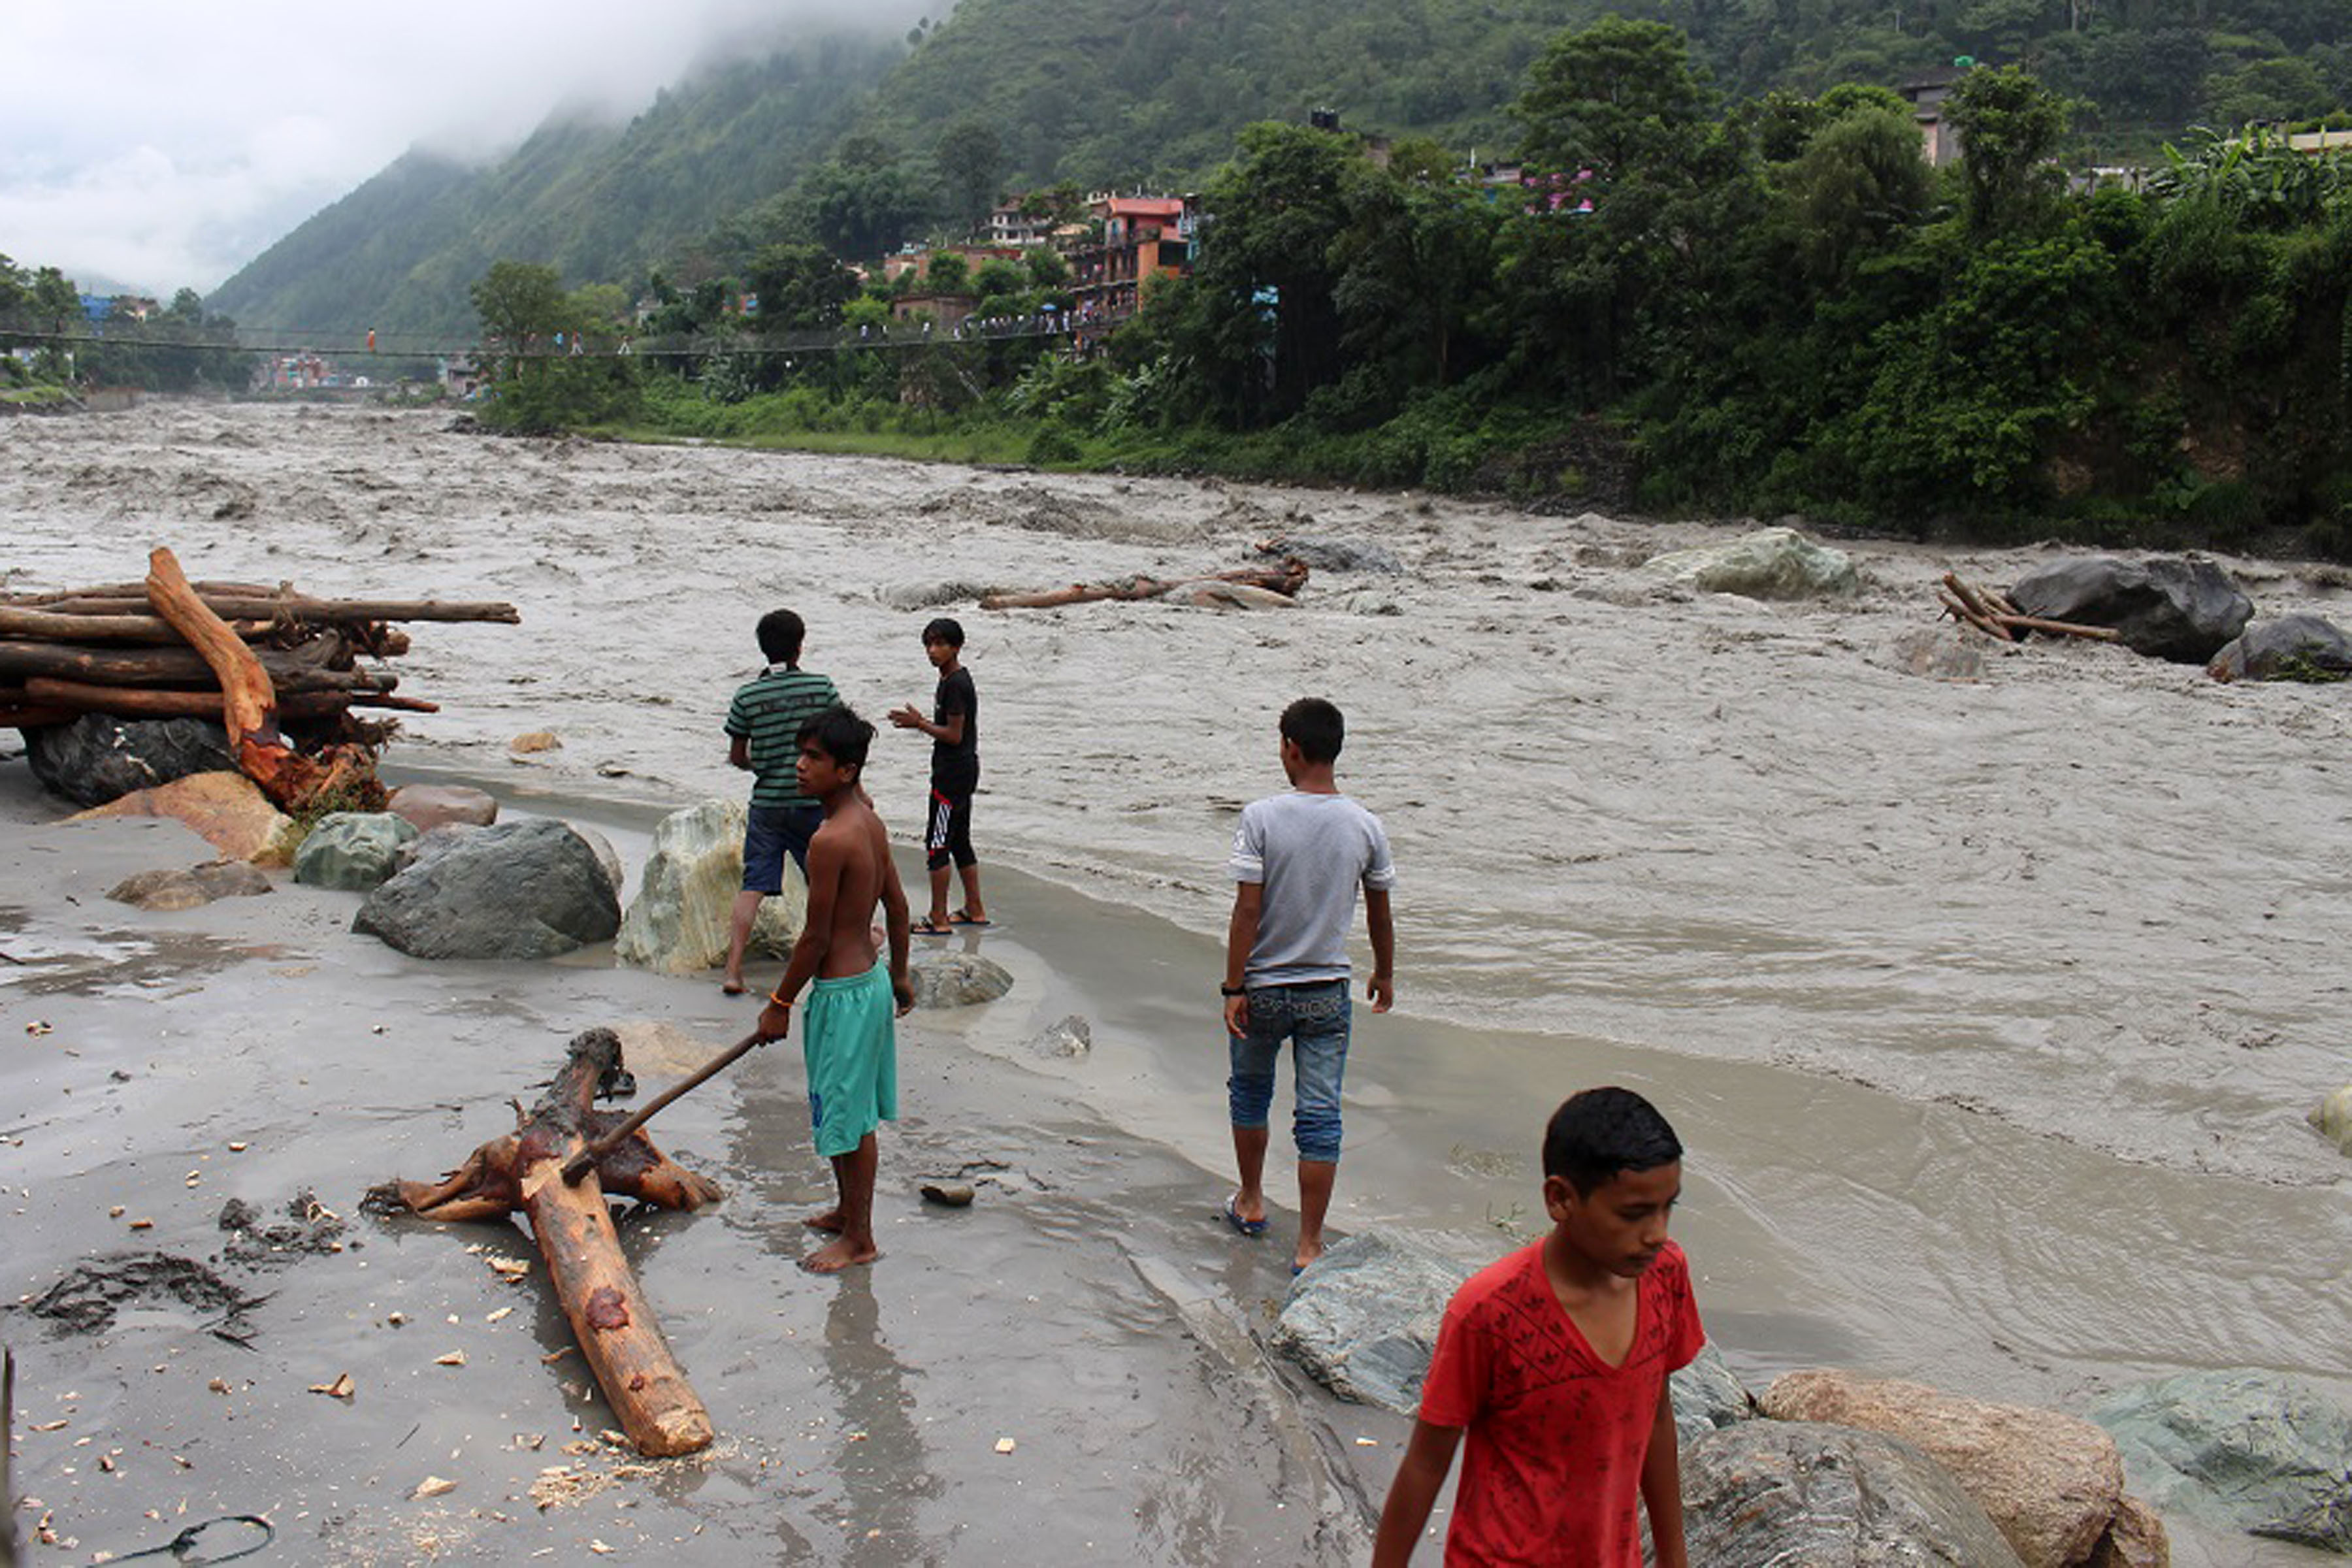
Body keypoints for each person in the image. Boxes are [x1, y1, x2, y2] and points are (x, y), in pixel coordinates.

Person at [1372, 1088, 1704, 1567]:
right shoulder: (1491, 1312)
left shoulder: (1665, 1275)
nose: (1657, 1232)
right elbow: (1426, 1464)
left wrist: (1674, 1556)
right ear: (1561, 1199)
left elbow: (1656, 1416)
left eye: (1667, 1207)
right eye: (1633, 1214)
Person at [1220, 696, 1396, 1275]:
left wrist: (1232, 986)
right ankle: (1310, 1244)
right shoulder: (1365, 824)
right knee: (1320, 1116)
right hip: (1327, 990)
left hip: (1264, 985)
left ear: (1291, 748)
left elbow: (1247, 912)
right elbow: (1378, 913)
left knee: (1251, 1093)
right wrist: (1384, 973)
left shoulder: (1262, 817)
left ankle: (1249, 1201)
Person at [752, 706, 915, 1274]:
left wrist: (779, 1005)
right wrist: (899, 975)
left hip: (843, 993)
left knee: (848, 1115)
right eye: (801, 754)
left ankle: (862, 1237)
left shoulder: (828, 840)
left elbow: (816, 938)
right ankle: (848, 1212)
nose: (799, 767)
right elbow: (897, 905)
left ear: (846, 771)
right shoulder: (869, 821)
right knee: (845, 1104)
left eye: (813, 759)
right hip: (867, 982)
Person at [722, 610, 841, 996]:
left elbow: (738, 756)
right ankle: (833, 956)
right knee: (824, 884)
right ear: (800, 645)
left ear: (762, 648)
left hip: (768, 803)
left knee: (753, 886)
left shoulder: (748, 696)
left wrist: (765, 765)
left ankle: (734, 970)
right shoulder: (821, 688)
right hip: (813, 803)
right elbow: (840, 740)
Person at [888, 616, 986, 934]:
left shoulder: (955, 684)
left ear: (957, 647)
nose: (933, 651)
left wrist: (919, 724)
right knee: (960, 841)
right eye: (929, 644)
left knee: (937, 843)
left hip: (952, 773)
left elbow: (954, 735)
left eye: (941, 644)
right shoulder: (952, 679)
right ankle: (975, 908)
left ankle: (938, 916)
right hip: (963, 768)